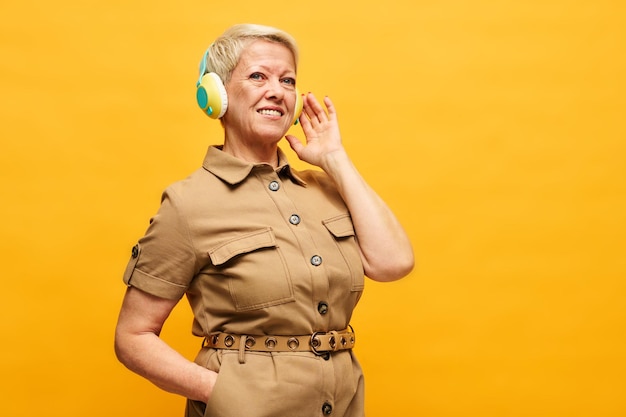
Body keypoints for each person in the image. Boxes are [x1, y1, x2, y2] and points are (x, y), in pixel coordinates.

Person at [114, 23, 414, 417]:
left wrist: (336, 160)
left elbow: (394, 264)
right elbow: (132, 336)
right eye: (258, 76)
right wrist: (220, 392)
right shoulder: (188, 204)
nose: (277, 90)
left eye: (287, 80)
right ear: (216, 94)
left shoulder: (324, 189)